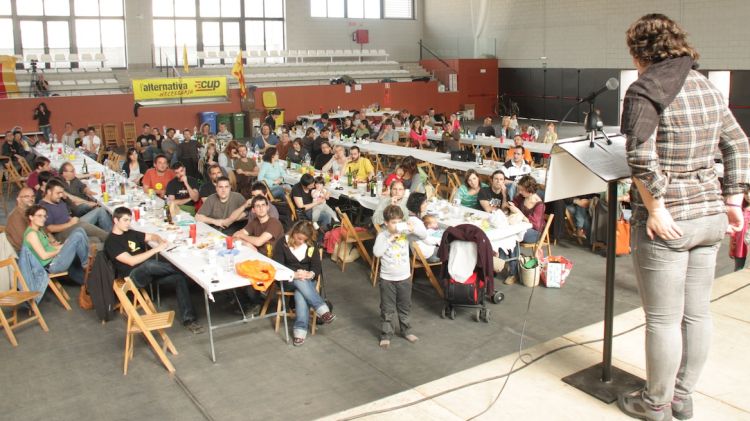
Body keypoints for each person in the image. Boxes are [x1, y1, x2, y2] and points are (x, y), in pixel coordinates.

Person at [616, 14, 750, 421]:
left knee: (662, 320)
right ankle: (682, 396)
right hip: (710, 216)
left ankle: (655, 402)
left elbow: (640, 155)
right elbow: (738, 144)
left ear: (640, 52)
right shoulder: (706, 86)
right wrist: (733, 200)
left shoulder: (646, 89)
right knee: (697, 315)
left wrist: (656, 207)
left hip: (669, 222)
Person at [106, 207, 204, 334]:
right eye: (125, 220)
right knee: (149, 264)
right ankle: (187, 271)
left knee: (178, 278)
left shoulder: (130, 233)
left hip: (151, 273)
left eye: (129, 220)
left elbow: (153, 236)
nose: (128, 223)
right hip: (132, 277)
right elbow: (132, 261)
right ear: (115, 220)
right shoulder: (111, 242)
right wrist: (156, 249)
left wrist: (159, 241)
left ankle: (189, 320)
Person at [272, 220, 335, 346]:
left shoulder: (311, 245)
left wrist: (309, 274)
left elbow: (316, 267)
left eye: (304, 239)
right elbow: (277, 266)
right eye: (299, 238)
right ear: (293, 232)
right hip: (287, 279)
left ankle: (300, 331)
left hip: (307, 280)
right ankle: (322, 310)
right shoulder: (282, 243)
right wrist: (294, 274)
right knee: (300, 282)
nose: (301, 242)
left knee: (300, 293)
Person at [373, 205, 421, 349]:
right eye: (393, 222)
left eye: (399, 221)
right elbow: (377, 253)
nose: (396, 225)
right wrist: (389, 240)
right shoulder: (382, 235)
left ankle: (406, 330)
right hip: (387, 278)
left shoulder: (405, 233)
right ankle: (386, 334)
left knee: (405, 305)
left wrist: (413, 228)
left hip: (404, 277)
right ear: (386, 223)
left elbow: (423, 236)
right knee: (387, 308)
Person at [23, 204, 89, 285]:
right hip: (52, 266)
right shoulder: (32, 234)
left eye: (44, 216)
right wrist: (63, 249)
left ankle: (86, 262)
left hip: (55, 259)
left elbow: (50, 247)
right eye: (39, 216)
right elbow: (44, 255)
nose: (43, 219)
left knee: (79, 230)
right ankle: (86, 264)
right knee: (78, 236)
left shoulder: (39, 230)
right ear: (31, 217)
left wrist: (65, 245)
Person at [40, 178, 110, 245]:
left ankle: (113, 234)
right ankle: (112, 238)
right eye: (58, 193)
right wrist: (70, 224)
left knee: (99, 211)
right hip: (60, 234)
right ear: (49, 192)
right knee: (83, 225)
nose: (61, 195)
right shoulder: (43, 207)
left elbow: (66, 215)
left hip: (72, 224)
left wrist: (72, 220)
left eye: (62, 192)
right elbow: (50, 228)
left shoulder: (58, 200)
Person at [406, 192, 440, 263]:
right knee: (453, 248)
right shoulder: (416, 222)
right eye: (424, 203)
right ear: (418, 205)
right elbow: (427, 240)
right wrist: (439, 241)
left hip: (418, 254)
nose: (426, 204)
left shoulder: (410, 219)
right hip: (428, 255)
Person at [6, 187, 36, 252]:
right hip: (22, 253)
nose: (31, 199)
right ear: (18, 199)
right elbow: (24, 242)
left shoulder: (33, 212)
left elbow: (44, 230)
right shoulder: (16, 217)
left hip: (35, 247)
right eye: (26, 197)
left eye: (33, 196)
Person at [729, 192, 750, 271]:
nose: (748, 195)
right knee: (738, 269)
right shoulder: (739, 209)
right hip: (740, 245)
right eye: (746, 193)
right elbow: (734, 229)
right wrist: (731, 246)